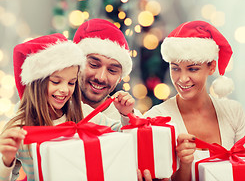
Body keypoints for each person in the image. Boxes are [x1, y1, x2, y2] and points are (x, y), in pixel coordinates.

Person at [0, 33, 135, 180]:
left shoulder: (84, 113)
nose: (65, 89)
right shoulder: (18, 128)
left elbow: (124, 137)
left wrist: (125, 115)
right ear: (36, 83)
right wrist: (6, 161)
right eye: (56, 82)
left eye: (71, 82)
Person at [142, 20, 245, 181]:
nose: (182, 79)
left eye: (193, 69)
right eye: (175, 68)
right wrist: (184, 164)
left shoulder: (234, 112)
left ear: (211, 67)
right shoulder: (156, 119)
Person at [73, 18, 143, 119]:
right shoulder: (56, 109)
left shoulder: (129, 117)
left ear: (120, 78)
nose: (101, 78)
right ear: (77, 65)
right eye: (93, 65)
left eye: (112, 70)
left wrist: (128, 116)